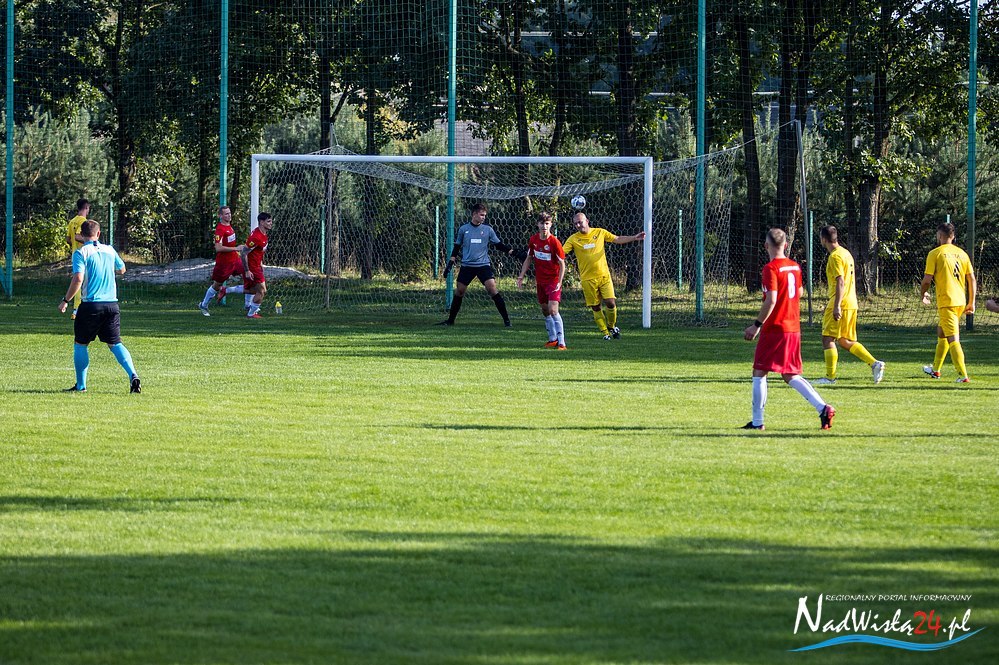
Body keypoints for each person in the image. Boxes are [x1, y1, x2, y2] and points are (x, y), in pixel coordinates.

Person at [743, 228, 834, 431]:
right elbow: (799, 292)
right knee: (789, 374)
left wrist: (756, 325)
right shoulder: (794, 266)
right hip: (793, 327)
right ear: (785, 245)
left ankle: (757, 422)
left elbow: (771, 299)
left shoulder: (770, 268)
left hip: (775, 328)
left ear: (766, 246)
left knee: (760, 371)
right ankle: (823, 407)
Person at [58, 220, 140, 393]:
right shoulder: (109, 250)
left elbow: (78, 279)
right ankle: (133, 375)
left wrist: (66, 300)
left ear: (81, 235)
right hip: (112, 305)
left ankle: (81, 386)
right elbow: (122, 269)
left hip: (91, 306)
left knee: (80, 343)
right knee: (115, 343)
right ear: (99, 234)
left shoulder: (81, 252)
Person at [816, 225, 885, 384]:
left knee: (828, 338)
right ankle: (875, 364)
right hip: (851, 302)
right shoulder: (846, 253)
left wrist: (836, 305)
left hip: (840, 302)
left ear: (823, 239)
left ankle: (830, 377)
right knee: (845, 341)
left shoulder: (835, 257)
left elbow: (840, 281)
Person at [438, 203, 525, 327]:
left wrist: (513, 252)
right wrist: (450, 264)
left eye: (485, 215)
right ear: (474, 214)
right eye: (481, 215)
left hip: (483, 265)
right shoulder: (463, 229)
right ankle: (450, 321)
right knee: (460, 291)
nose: (484, 217)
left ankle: (507, 321)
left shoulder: (488, 230)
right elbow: (457, 247)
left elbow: (499, 245)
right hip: (467, 266)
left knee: (492, 289)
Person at [561, 212, 645, 340]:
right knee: (596, 307)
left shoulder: (600, 232)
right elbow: (561, 253)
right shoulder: (573, 239)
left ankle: (611, 326)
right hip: (587, 279)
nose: (578, 225)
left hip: (604, 276)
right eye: (576, 223)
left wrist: (634, 237)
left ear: (587, 221)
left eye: (580, 222)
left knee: (610, 302)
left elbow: (617, 239)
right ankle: (605, 332)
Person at [920, 222, 976, 382]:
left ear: (939, 235)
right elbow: (971, 279)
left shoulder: (935, 253)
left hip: (947, 301)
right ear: (953, 236)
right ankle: (936, 370)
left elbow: (927, 280)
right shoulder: (962, 254)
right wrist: (971, 302)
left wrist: (923, 293)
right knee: (942, 333)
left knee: (953, 339)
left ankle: (963, 375)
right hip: (960, 301)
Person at [516, 212, 567, 349]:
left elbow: (562, 264)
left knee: (553, 310)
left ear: (551, 225)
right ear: (537, 224)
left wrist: (560, 281)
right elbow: (529, 258)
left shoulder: (554, 242)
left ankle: (562, 342)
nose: (544, 226)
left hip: (553, 281)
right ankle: (552, 339)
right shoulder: (533, 240)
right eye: (542, 223)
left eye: (547, 223)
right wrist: (521, 276)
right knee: (545, 310)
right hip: (540, 281)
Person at [198, 206, 246, 316]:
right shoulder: (220, 229)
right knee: (216, 285)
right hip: (224, 263)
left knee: (249, 274)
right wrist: (236, 248)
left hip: (235, 259)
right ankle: (204, 305)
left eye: (229, 213)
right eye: (226, 214)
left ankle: (249, 306)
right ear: (220, 215)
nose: (229, 215)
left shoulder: (229, 226)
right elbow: (218, 248)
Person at [241, 212, 273, 319]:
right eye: (268, 221)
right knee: (262, 291)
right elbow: (244, 253)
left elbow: (258, 252)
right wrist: (247, 270)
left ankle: (226, 290)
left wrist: (260, 263)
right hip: (253, 267)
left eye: (271, 221)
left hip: (257, 266)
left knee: (253, 290)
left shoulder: (263, 234)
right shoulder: (256, 237)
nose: (271, 223)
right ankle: (251, 313)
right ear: (261, 222)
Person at [65, 198, 91, 320]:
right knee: (83, 282)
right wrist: (90, 241)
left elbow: (68, 239)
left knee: (78, 281)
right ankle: (77, 309)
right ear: (86, 208)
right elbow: (77, 236)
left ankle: (77, 309)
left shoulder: (72, 221)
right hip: (83, 255)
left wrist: (75, 246)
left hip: (75, 254)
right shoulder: (83, 221)